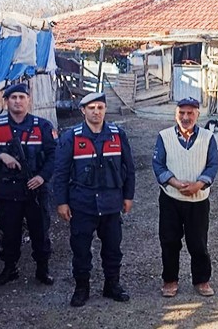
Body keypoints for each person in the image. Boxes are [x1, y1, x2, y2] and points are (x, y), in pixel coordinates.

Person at [53, 92, 136, 307]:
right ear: (83, 111)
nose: (96, 112)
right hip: (82, 204)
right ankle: (82, 288)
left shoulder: (118, 135)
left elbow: (129, 168)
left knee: (113, 248)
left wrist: (128, 196)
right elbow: (60, 172)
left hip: (111, 203)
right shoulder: (72, 136)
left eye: (100, 107)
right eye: (91, 108)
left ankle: (112, 285)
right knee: (81, 249)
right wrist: (61, 202)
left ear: (105, 109)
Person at [0, 82, 56, 287]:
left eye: (21, 97)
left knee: (40, 231)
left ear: (29, 100)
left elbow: (56, 155)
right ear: (7, 101)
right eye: (13, 98)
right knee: (9, 232)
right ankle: (10, 269)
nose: (17, 101)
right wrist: (1, 155)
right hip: (8, 190)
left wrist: (42, 177)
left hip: (35, 188)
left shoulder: (42, 126)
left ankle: (42, 270)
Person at [152, 97, 218, 297]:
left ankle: (201, 280)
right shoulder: (164, 136)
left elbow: (213, 165)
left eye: (190, 113)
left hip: (198, 200)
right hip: (171, 198)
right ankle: (170, 280)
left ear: (198, 114)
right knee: (169, 240)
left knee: (198, 242)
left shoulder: (208, 137)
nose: (186, 117)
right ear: (176, 114)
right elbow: (158, 164)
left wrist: (198, 184)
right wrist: (174, 183)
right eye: (182, 113)